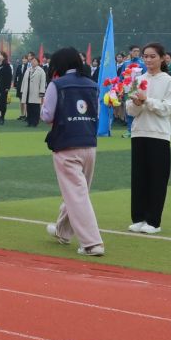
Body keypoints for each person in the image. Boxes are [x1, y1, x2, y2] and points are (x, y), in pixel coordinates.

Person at [40, 48, 103, 256]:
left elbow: (47, 116)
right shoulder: (93, 84)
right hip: (89, 144)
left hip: (66, 144)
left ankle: (92, 243)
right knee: (78, 191)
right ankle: (63, 231)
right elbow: (97, 114)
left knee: (76, 194)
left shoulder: (57, 84)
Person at [124, 42, 171, 233]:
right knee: (139, 177)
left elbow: (168, 108)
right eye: (145, 56)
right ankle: (138, 217)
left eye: (152, 56)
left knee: (157, 178)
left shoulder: (169, 81)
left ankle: (153, 221)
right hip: (139, 133)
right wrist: (137, 103)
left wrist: (147, 100)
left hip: (159, 135)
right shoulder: (138, 79)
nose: (148, 60)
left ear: (162, 58)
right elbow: (130, 110)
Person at [21, 56, 47, 128]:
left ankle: (35, 122)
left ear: (38, 62)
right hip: (28, 92)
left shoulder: (41, 71)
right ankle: (29, 122)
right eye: (32, 61)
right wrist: (22, 90)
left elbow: (43, 82)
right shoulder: (28, 70)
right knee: (29, 108)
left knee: (35, 108)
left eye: (35, 61)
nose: (33, 62)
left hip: (36, 92)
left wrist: (42, 92)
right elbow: (24, 80)